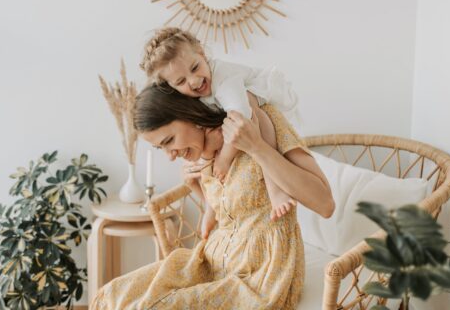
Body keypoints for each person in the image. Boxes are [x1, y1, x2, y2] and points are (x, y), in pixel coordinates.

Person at [90, 84, 334, 310]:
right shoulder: (204, 153)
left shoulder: (260, 120)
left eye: (169, 141)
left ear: (190, 115)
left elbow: (325, 204)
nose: (170, 156)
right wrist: (196, 185)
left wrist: (257, 147)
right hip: (212, 261)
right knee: (113, 295)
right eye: (160, 148)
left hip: (261, 275)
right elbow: (226, 213)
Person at [140, 27, 302, 222]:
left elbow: (241, 118)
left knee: (254, 118)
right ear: (172, 87)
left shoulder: (224, 79)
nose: (194, 81)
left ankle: (276, 190)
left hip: (265, 98)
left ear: (202, 53)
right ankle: (213, 209)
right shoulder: (193, 103)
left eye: (195, 68)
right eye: (181, 81)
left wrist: (224, 159)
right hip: (241, 114)